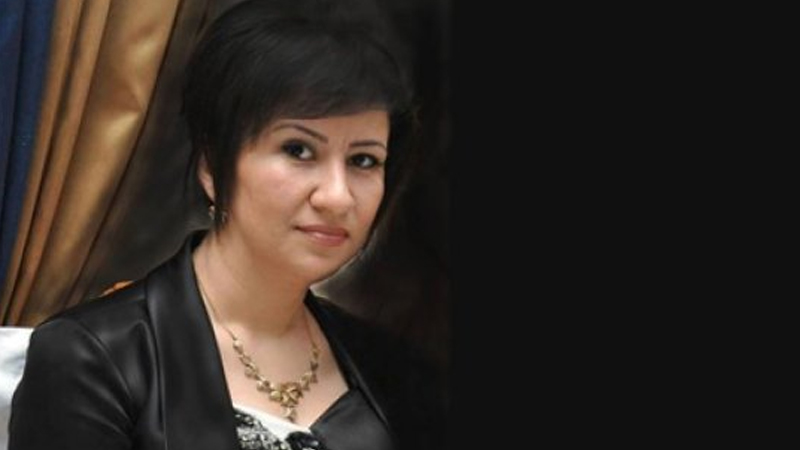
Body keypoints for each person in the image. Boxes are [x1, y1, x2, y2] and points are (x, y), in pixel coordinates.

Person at [7, 0, 446, 449]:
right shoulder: (91, 358)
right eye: (298, 150)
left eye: (364, 160)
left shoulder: (393, 370)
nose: (337, 196)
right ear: (213, 166)